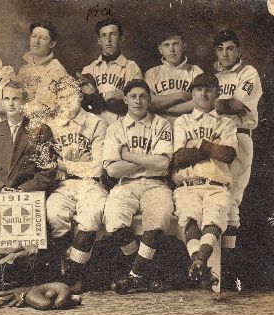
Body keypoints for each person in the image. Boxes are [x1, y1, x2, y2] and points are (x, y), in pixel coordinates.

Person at [0, 80, 57, 298]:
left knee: (37, 216)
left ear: (25, 102)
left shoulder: (40, 131)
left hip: (27, 192)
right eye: (6, 99)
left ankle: (26, 275)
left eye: (16, 99)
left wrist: (23, 190)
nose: (10, 104)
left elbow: (46, 172)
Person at [102, 79, 174, 294]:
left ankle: (133, 276)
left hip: (155, 184)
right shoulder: (115, 128)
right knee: (113, 219)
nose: (138, 101)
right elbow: (112, 171)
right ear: (125, 99)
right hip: (126, 186)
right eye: (133, 96)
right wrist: (146, 160)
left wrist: (128, 156)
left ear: (149, 100)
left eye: (143, 96)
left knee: (159, 215)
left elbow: (163, 163)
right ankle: (145, 272)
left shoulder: (161, 124)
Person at [171, 73, 238, 288]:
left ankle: (198, 263)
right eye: (199, 89)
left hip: (216, 185)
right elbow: (179, 158)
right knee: (189, 218)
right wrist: (211, 146)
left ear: (217, 93)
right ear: (192, 93)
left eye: (209, 89)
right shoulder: (182, 121)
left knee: (213, 219)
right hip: (188, 185)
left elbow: (228, 155)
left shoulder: (226, 123)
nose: (204, 93)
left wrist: (197, 143)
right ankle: (201, 263)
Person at [45, 77, 108, 294]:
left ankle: (72, 275)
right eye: (61, 97)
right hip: (62, 185)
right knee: (53, 214)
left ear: (80, 96)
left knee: (92, 213)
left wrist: (65, 163)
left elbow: (97, 167)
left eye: (70, 96)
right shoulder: (52, 125)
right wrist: (77, 161)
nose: (66, 101)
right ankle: (73, 270)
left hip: (90, 184)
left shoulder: (96, 123)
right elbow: (50, 166)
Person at [212, 30, 263, 242]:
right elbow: (227, 104)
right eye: (220, 49)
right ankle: (216, 261)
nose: (225, 54)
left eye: (230, 48)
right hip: (217, 137)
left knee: (232, 197)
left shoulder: (248, 72)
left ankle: (228, 266)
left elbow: (237, 104)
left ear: (239, 50)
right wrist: (223, 104)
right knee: (217, 193)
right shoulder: (213, 77)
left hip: (240, 135)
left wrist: (210, 104)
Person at [81, 18, 142, 125]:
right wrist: (114, 96)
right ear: (99, 41)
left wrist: (99, 96)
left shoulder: (131, 67)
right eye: (104, 35)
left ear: (121, 38)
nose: (108, 40)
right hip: (94, 128)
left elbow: (134, 101)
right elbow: (86, 104)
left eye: (112, 34)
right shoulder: (89, 69)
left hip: (122, 127)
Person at [144, 30, 203, 125]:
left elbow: (200, 103)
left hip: (190, 125)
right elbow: (149, 103)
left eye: (175, 44)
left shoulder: (195, 71)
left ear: (184, 46)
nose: (171, 49)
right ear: (160, 49)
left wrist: (162, 105)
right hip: (159, 125)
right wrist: (181, 96)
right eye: (166, 45)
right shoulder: (152, 73)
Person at [16, 21, 68, 113]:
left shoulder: (57, 70)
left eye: (43, 38)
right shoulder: (24, 69)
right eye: (34, 36)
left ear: (52, 44)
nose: (36, 41)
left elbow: (51, 107)